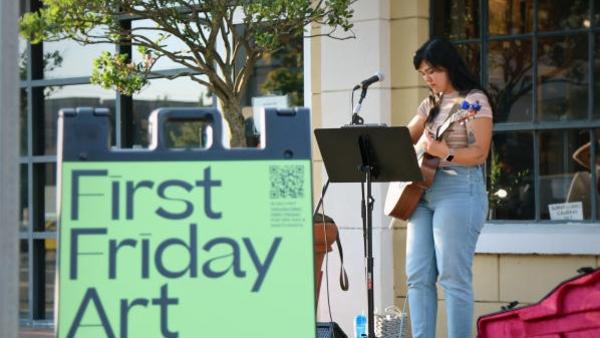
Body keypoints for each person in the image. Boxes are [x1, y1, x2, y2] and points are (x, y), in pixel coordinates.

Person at [404, 37, 493, 338]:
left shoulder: (474, 101)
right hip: (421, 192)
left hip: (459, 191)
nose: (428, 78)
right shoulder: (430, 103)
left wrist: (445, 152)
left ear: (449, 67)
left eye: (433, 71)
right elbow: (405, 138)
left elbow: (480, 153)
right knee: (417, 276)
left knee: (453, 277)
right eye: (423, 73)